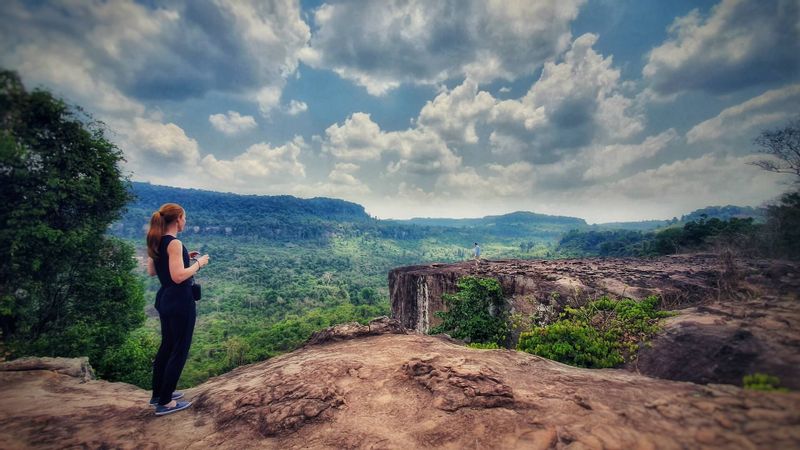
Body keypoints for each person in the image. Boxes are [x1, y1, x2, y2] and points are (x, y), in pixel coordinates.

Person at [145, 203, 210, 416]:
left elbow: (152, 271)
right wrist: (199, 263)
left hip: (165, 299)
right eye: (185, 218)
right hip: (180, 301)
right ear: (179, 218)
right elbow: (179, 276)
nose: (186, 222)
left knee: (167, 346)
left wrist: (184, 257)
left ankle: (159, 394)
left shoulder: (158, 241)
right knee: (179, 349)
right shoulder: (174, 243)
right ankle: (166, 402)